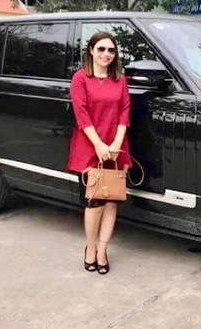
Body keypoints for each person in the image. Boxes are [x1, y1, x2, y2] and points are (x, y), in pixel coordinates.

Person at [66, 31, 132, 275]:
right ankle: (91, 248)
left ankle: (103, 250)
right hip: (90, 146)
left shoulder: (120, 80)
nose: (106, 54)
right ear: (91, 50)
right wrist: (99, 145)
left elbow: (125, 111)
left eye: (111, 50)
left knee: (111, 201)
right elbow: (81, 113)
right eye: (101, 49)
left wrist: (116, 143)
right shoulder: (80, 78)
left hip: (116, 147)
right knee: (94, 202)